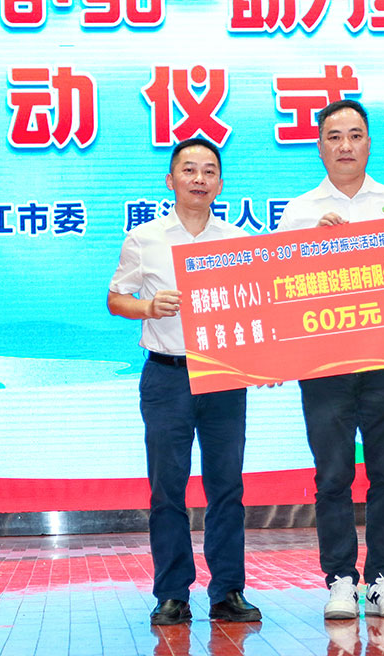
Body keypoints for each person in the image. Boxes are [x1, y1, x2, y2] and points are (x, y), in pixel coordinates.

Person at [276, 99, 384, 620]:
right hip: (325, 366)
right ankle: (340, 580)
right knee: (332, 476)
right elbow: (283, 290)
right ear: (319, 146)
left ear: (368, 143)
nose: (345, 145)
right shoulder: (299, 212)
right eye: (334, 136)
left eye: (355, 135)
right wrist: (311, 246)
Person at [108, 137, 262, 626]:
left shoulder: (236, 240)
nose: (199, 178)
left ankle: (228, 591)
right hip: (167, 376)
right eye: (189, 169)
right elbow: (116, 299)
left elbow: (254, 308)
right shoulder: (144, 239)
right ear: (170, 179)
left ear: (220, 183)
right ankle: (172, 593)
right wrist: (148, 306)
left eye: (209, 170)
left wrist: (263, 363)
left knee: (227, 487)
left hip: (222, 375)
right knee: (167, 489)